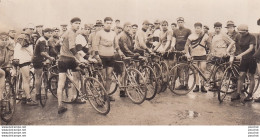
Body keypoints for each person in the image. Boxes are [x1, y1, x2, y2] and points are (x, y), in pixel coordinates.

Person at [57, 17, 88, 114]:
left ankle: (60, 105)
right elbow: (72, 48)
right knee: (77, 76)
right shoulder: (71, 33)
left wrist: (61, 52)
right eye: (76, 23)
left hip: (61, 59)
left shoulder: (64, 33)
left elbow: (57, 44)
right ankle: (76, 97)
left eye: (79, 23)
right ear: (71, 24)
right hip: (69, 59)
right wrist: (80, 58)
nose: (78, 25)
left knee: (61, 83)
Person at [93, 17, 124, 101]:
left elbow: (116, 45)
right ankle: (102, 94)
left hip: (111, 57)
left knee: (109, 77)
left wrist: (120, 52)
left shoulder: (113, 33)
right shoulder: (99, 33)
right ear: (104, 23)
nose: (109, 25)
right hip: (102, 57)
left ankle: (107, 93)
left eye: (110, 23)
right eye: (107, 23)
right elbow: (95, 45)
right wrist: (97, 56)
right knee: (102, 77)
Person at [231, 24, 257, 101]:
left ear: (246, 31)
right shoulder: (238, 36)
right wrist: (227, 51)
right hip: (244, 59)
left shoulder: (251, 37)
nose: (241, 34)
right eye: (240, 32)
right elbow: (232, 43)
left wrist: (240, 55)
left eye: (243, 32)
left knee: (251, 76)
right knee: (241, 75)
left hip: (252, 58)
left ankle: (250, 95)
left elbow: (251, 48)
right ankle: (238, 94)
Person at [185, 22, 211, 93]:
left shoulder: (205, 36)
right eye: (196, 28)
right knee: (195, 71)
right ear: (194, 28)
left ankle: (202, 86)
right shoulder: (191, 36)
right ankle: (197, 86)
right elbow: (186, 45)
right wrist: (187, 54)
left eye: (199, 28)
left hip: (202, 55)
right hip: (194, 55)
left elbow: (209, 45)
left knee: (202, 70)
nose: (197, 29)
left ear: (201, 28)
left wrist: (210, 53)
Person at [209, 22, 235, 91]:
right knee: (212, 69)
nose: (217, 29)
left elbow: (232, 42)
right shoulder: (213, 35)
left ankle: (219, 86)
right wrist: (211, 52)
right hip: (215, 54)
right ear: (214, 28)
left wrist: (227, 51)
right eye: (216, 28)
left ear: (221, 28)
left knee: (219, 70)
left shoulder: (223, 35)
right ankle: (215, 85)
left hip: (222, 54)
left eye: (219, 28)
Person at [13, 32, 38, 105]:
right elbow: (30, 53)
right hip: (23, 62)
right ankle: (28, 99)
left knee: (26, 80)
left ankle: (24, 97)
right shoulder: (23, 42)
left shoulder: (22, 42)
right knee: (26, 80)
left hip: (25, 61)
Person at [32, 28, 55, 102]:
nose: (50, 34)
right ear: (44, 33)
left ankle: (44, 93)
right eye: (48, 32)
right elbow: (42, 52)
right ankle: (37, 94)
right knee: (38, 77)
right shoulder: (42, 40)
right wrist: (50, 57)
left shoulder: (46, 40)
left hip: (43, 60)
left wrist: (48, 58)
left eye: (51, 32)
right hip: (37, 60)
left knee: (45, 76)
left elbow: (46, 51)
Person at [117, 22, 139, 97]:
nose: (129, 28)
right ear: (124, 27)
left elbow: (130, 46)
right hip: (122, 56)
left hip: (126, 55)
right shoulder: (123, 35)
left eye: (130, 26)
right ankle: (122, 90)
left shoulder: (128, 35)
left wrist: (133, 52)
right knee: (123, 73)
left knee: (126, 73)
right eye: (127, 26)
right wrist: (132, 54)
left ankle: (124, 88)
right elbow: (124, 47)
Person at [171, 17, 191, 90]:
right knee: (179, 68)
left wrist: (187, 51)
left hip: (186, 51)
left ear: (184, 22)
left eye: (181, 22)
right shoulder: (175, 31)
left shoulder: (188, 30)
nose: (180, 23)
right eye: (179, 22)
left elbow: (190, 41)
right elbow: (173, 40)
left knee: (187, 68)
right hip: (178, 51)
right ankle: (182, 84)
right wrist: (172, 47)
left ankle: (186, 84)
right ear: (177, 23)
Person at [0, 32, 10, 108]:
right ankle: (1, 98)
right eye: (2, 38)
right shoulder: (3, 46)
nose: (4, 40)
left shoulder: (5, 48)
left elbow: (5, 60)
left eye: (6, 38)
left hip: (2, 65)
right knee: (2, 73)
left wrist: (7, 65)